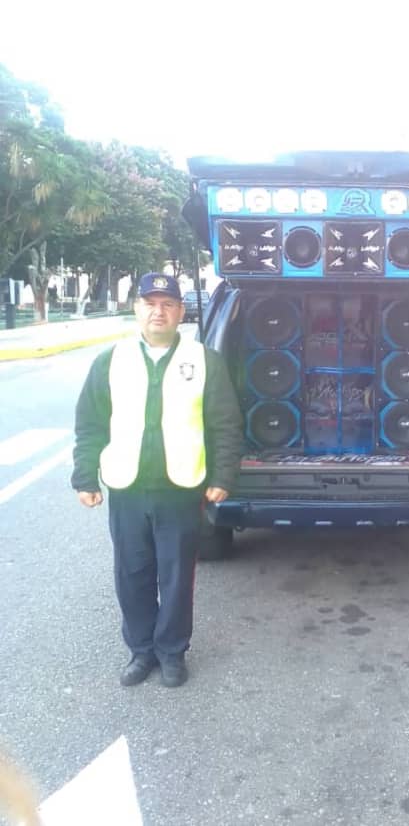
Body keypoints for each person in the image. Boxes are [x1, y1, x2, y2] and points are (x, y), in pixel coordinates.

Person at [72, 272, 242, 688]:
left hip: (181, 489)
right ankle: (141, 651)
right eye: (150, 303)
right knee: (132, 573)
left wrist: (223, 474)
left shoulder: (204, 361)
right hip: (126, 488)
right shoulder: (110, 360)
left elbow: (224, 423)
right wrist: (85, 477)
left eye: (168, 304)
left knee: (177, 575)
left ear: (181, 312)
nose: (158, 311)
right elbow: (90, 423)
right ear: (137, 309)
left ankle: (171, 652)